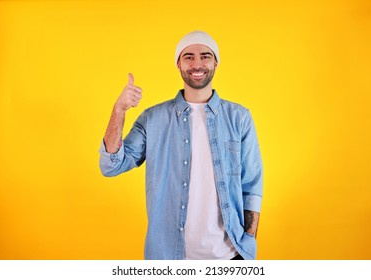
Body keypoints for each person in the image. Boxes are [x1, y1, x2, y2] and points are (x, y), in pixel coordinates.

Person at [99, 31, 263, 260]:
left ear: (216, 61)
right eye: (189, 57)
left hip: (230, 256)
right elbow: (111, 166)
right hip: (168, 258)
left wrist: (247, 241)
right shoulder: (152, 119)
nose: (197, 64)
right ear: (178, 63)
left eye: (205, 56)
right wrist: (119, 111)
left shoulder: (239, 118)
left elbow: (251, 186)